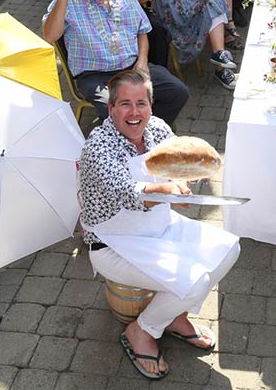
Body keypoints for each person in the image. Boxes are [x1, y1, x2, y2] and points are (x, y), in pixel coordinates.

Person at [78, 71, 240, 380]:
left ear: (151, 105)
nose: (135, 112)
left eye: (141, 103)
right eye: (125, 104)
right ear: (111, 109)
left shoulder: (158, 128)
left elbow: (175, 168)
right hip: (114, 243)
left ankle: (176, 317)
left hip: (159, 225)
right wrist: (164, 191)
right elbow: (127, 192)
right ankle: (141, 331)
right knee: (194, 282)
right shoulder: (98, 146)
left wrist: (179, 183)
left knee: (229, 249)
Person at [43, 0, 189, 123]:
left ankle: (145, 132)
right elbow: (50, 35)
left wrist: (142, 61)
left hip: (132, 67)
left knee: (178, 92)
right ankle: (129, 141)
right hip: (95, 75)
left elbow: (142, 30)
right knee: (114, 109)